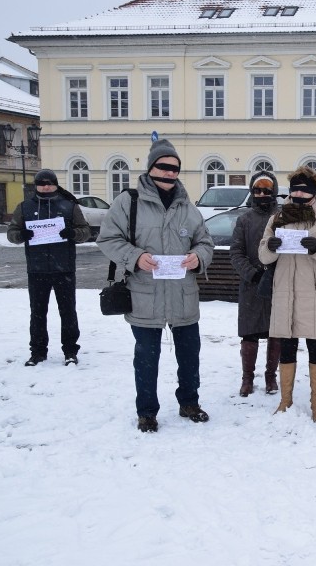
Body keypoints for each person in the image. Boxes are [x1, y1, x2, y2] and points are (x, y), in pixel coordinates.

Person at [97, 139, 214, 433]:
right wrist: (136, 257)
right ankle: (147, 412)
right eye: (163, 166)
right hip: (145, 296)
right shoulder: (129, 202)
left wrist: (197, 257)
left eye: (174, 168)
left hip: (183, 296)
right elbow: (108, 239)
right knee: (146, 359)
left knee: (190, 356)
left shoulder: (188, 206)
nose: (169, 173)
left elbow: (205, 242)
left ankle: (189, 402)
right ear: (151, 168)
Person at [258, 165, 316, 423]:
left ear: (313, 192)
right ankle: (285, 400)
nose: (298, 195)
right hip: (285, 290)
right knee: (287, 345)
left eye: (303, 191)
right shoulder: (278, 217)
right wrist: (272, 247)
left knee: (315, 346)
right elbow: (263, 254)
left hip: (314, 292)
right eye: (294, 190)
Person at [7, 168, 90, 367]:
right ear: (36, 186)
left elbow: (85, 231)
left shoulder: (69, 206)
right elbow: (12, 233)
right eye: (41, 183)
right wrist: (21, 236)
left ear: (55, 184)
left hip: (64, 268)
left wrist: (72, 233)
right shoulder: (24, 207)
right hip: (37, 269)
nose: (45, 187)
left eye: (49, 183)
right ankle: (37, 352)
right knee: (37, 312)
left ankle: (70, 350)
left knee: (68, 312)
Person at [229, 171, 282, 397]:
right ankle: (247, 378)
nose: (262, 194)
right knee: (249, 334)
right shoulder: (244, 219)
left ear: (274, 192)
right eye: (257, 190)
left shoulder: (282, 217)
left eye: (266, 191)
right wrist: (252, 274)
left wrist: (275, 274)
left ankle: (271, 376)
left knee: (276, 333)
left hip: (277, 285)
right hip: (251, 286)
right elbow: (236, 252)